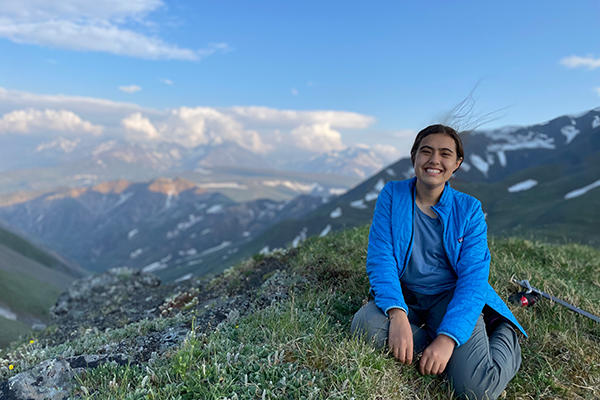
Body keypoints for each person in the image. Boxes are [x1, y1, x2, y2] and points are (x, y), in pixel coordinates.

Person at [351, 124, 526, 400]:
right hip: (406, 299)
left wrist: (447, 339)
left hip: (450, 299)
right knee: (364, 324)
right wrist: (396, 314)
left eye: (445, 154)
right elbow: (381, 258)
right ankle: (446, 356)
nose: (434, 160)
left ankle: (503, 333)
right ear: (414, 157)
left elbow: (473, 280)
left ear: (456, 163)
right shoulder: (393, 195)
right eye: (426, 151)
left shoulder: (469, 210)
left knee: (477, 390)